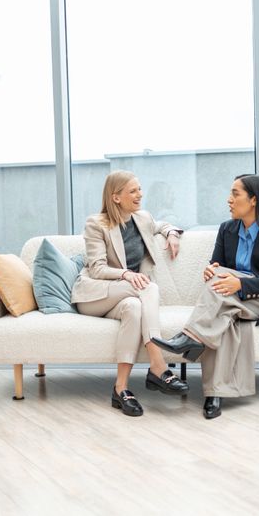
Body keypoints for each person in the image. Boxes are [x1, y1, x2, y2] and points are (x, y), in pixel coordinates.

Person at [153, 174, 259, 419]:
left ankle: (190, 338)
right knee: (224, 319)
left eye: (235, 194)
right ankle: (214, 393)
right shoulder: (227, 229)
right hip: (228, 299)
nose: (229, 200)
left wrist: (239, 284)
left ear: (253, 200)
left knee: (222, 295)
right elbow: (217, 265)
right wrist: (211, 270)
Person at [72, 170, 188, 417]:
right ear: (116, 197)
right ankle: (158, 365)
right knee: (148, 286)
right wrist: (126, 274)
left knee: (134, 308)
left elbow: (162, 225)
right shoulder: (96, 224)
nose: (140, 194)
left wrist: (172, 233)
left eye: (140, 189)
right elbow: (97, 268)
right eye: (133, 191)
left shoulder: (142, 217)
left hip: (127, 298)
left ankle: (121, 389)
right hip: (96, 295)